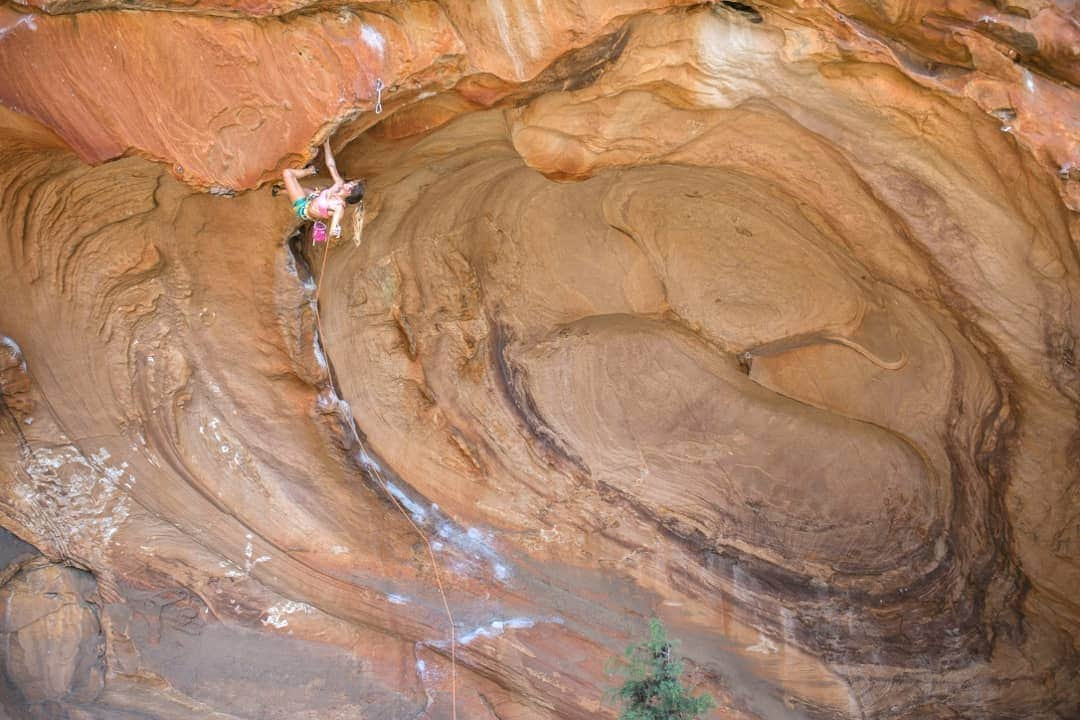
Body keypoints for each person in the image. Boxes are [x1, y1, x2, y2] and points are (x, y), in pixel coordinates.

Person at [281, 140, 364, 243]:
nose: (348, 183)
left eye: (351, 185)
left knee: (287, 173)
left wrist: (335, 231)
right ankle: (279, 191)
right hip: (312, 197)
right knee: (316, 190)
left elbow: (333, 227)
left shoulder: (339, 208)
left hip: (303, 207)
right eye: (351, 182)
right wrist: (326, 144)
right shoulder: (339, 184)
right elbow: (331, 165)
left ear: (349, 192)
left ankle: (309, 171)